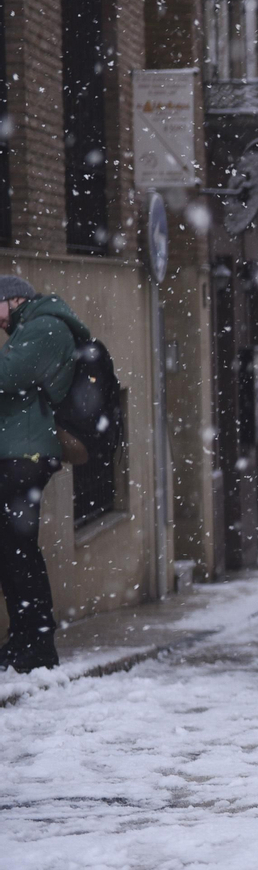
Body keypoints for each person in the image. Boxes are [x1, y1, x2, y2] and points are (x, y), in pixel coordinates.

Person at [0, 276, 88, 673]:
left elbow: (7, 375)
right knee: (13, 551)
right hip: (19, 450)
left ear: (13, 300)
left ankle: (36, 645)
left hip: (27, 454)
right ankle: (23, 640)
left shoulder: (45, 327)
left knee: (18, 552)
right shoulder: (31, 327)